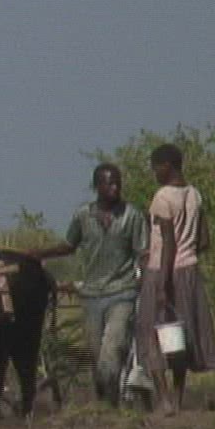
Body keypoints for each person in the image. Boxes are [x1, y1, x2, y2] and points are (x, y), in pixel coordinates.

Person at [135, 143, 215, 416]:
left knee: (151, 334)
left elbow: (169, 242)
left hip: (163, 272)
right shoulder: (195, 194)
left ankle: (163, 399)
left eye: (155, 168)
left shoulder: (162, 197)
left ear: (166, 166)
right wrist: (186, 252)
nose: (154, 174)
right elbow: (203, 240)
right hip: (189, 272)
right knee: (179, 337)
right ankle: (178, 398)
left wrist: (162, 284)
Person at [65, 163, 148, 407]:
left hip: (122, 291)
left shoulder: (132, 216)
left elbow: (143, 252)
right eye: (109, 183)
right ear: (97, 186)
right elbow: (69, 245)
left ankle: (111, 404)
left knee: (112, 348)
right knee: (95, 353)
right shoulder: (83, 216)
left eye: (117, 183)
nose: (115, 188)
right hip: (91, 294)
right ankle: (105, 401)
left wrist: (145, 278)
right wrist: (37, 255)